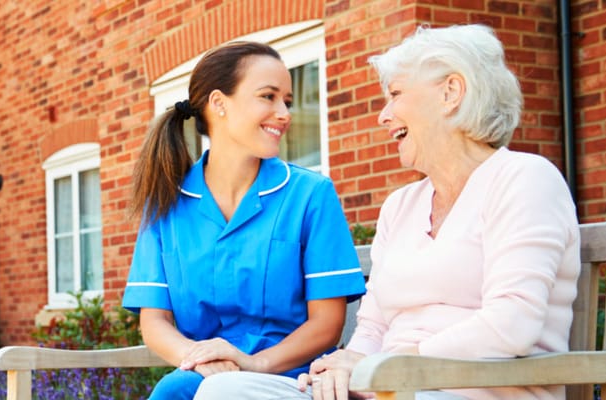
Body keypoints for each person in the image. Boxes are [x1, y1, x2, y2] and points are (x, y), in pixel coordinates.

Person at [193, 24, 580, 400]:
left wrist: (379, 367)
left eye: (395, 94)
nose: (384, 115)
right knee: (225, 390)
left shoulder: (524, 179)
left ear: (451, 92)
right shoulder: (402, 204)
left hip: (473, 391)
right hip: (388, 387)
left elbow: (511, 323)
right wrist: (346, 370)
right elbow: (373, 325)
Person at [121, 41, 367, 400]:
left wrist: (252, 365)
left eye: (287, 101)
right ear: (219, 103)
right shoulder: (166, 203)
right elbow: (154, 322)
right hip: (202, 378)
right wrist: (202, 360)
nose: (284, 113)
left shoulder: (311, 195)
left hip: (291, 380)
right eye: (268, 96)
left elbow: (326, 326)